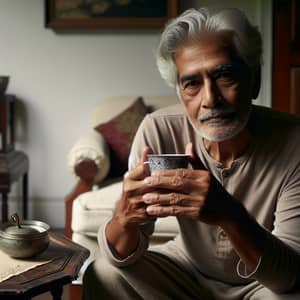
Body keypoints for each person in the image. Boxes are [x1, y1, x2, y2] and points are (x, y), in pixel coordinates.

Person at [82, 7, 300, 300]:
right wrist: (124, 216)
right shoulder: (158, 130)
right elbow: (120, 254)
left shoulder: (294, 141)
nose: (210, 99)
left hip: (262, 284)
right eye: (192, 83)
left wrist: (229, 215)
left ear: (255, 79)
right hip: (186, 269)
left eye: (225, 76)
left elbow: (288, 275)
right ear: (180, 93)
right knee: (103, 273)